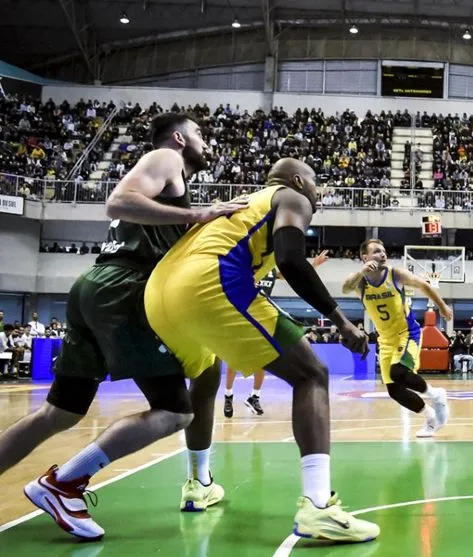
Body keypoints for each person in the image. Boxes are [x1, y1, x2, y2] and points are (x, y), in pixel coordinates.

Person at [9, 113, 246, 541]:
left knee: (58, 412)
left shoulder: (170, 179)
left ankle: (66, 483)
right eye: (199, 134)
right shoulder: (165, 157)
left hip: (94, 287)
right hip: (125, 290)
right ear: (179, 138)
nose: (206, 142)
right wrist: (199, 215)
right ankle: (64, 483)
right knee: (176, 411)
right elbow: (118, 201)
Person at [143, 157, 379, 541]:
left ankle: (198, 483)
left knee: (205, 378)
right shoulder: (292, 197)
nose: (317, 194)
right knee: (312, 374)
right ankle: (318, 507)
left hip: (159, 293)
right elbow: (291, 258)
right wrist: (342, 320)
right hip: (210, 282)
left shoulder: (246, 203)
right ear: (300, 180)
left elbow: (277, 262)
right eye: (316, 184)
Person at [342, 239, 451, 438]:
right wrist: (361, 272)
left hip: (407, 333)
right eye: (376, 252)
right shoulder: (360, 281)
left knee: (398, 371)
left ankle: (436, 395)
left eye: (383, 251)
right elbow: (345, 288)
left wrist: (442, 307)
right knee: (394, 390)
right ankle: (431, 418)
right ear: (364, 257)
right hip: (385, 340)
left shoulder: (395, 274)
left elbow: (424, 286)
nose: (382, 254)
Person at [222, 251, 329, 418]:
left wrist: (313, 265)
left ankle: (254, 397)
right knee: (232, 365)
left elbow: (289, 275)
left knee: (263, 361)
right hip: (240, 317)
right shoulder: (249, 267)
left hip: (261, 319)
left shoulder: (272, 270)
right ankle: (228, 396)